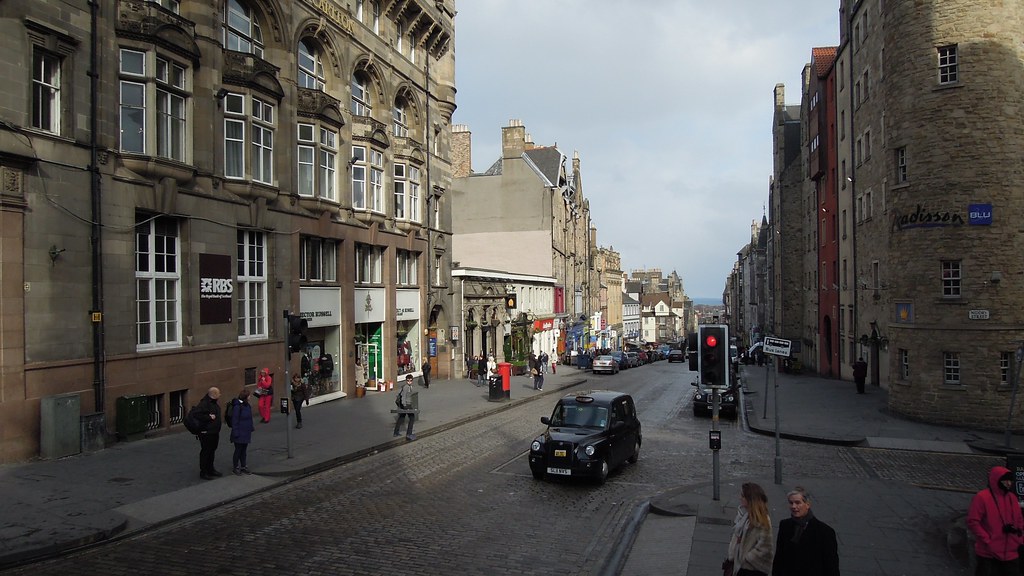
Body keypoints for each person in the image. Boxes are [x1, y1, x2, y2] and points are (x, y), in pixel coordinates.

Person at [967, 466, 1024, 575]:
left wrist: (1019, 537)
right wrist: (987, 539)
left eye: (1010, 481)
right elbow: (973, 521)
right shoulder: (982, 497)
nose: (1009, 483)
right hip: (988, 553)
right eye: (1006, 481)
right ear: (997, 480)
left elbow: (1019, 519)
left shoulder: (1012, 497)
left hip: (1010, 553)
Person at [772, 486, 840, 576]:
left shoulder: (825, 532)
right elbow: (779, 558)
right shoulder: (785, 525)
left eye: (797, 503)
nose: (793, 506)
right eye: (791, 503)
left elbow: (831, 566)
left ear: (807, 504)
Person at [724, 482, 774, 576]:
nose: (740, 498)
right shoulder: (745, 516)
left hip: (750, 570)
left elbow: (765, 548)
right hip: (739, 566)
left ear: (750, 499)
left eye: (743, 496)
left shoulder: (762, 520)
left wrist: (746, 559)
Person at [195, 387, 223, 480]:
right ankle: (204, 472)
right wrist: (209, 417)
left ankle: (211, 469)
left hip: (214, 432)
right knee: (206, 452)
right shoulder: (204, 404)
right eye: (218, 394)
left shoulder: (212, 403)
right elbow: (197, 415)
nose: (220, 395)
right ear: (214, 395)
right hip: (206, 433)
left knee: (212, 451)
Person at [226, 388, 254, 474]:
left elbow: (249, 418)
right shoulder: (237, 407)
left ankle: (243, 466)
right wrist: (236, 432)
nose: (250, 397)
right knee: (238, 450)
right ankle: (236, 467)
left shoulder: (247, 405)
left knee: (244, 451)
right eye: (249, 395)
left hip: (246, 432)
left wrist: (251, 427)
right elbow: (235, 421)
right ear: (246, 397)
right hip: (239, 432)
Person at [394, 374, 416, 440]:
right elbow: (403, 396)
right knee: (412, 418)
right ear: (406, 380)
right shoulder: (406, 387)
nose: (409, 382)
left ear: (412, 381)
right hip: (407, 405)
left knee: (401, 417)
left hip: (407, 404)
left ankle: (396, 432)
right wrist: (404, 405)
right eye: (408, 380)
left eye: (410, 380)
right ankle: (409, 434)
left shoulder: (409, 386)